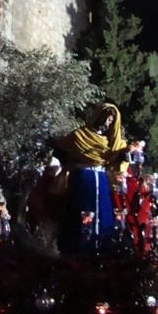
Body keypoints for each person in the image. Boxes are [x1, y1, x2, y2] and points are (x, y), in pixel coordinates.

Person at [55, 103, 129, 256]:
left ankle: (103, 249)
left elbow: (119, 162)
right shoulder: (80, 136)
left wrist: (124, 156)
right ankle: (76, 251)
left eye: (110, 120)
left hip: (101, 180)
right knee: (79, 212)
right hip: (82, 177)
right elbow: (63, 150)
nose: (106, 122)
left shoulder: (112, 144)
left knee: (103, 214)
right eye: (104, 117)